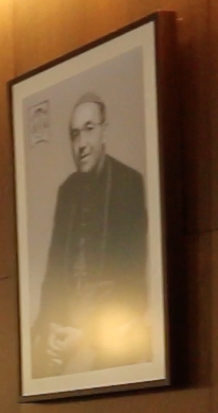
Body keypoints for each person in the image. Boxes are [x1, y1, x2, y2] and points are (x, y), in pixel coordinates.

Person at [33, 91, 150, 377]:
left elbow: (133, 280)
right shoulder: (66, 191)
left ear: (104, 131)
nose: (82, 144)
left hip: (109, 329)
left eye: (89, 129)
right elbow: (53, 271)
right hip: (66, 325)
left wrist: (86, 334)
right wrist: (49, 326)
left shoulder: (128, 183)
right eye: (75, 134)